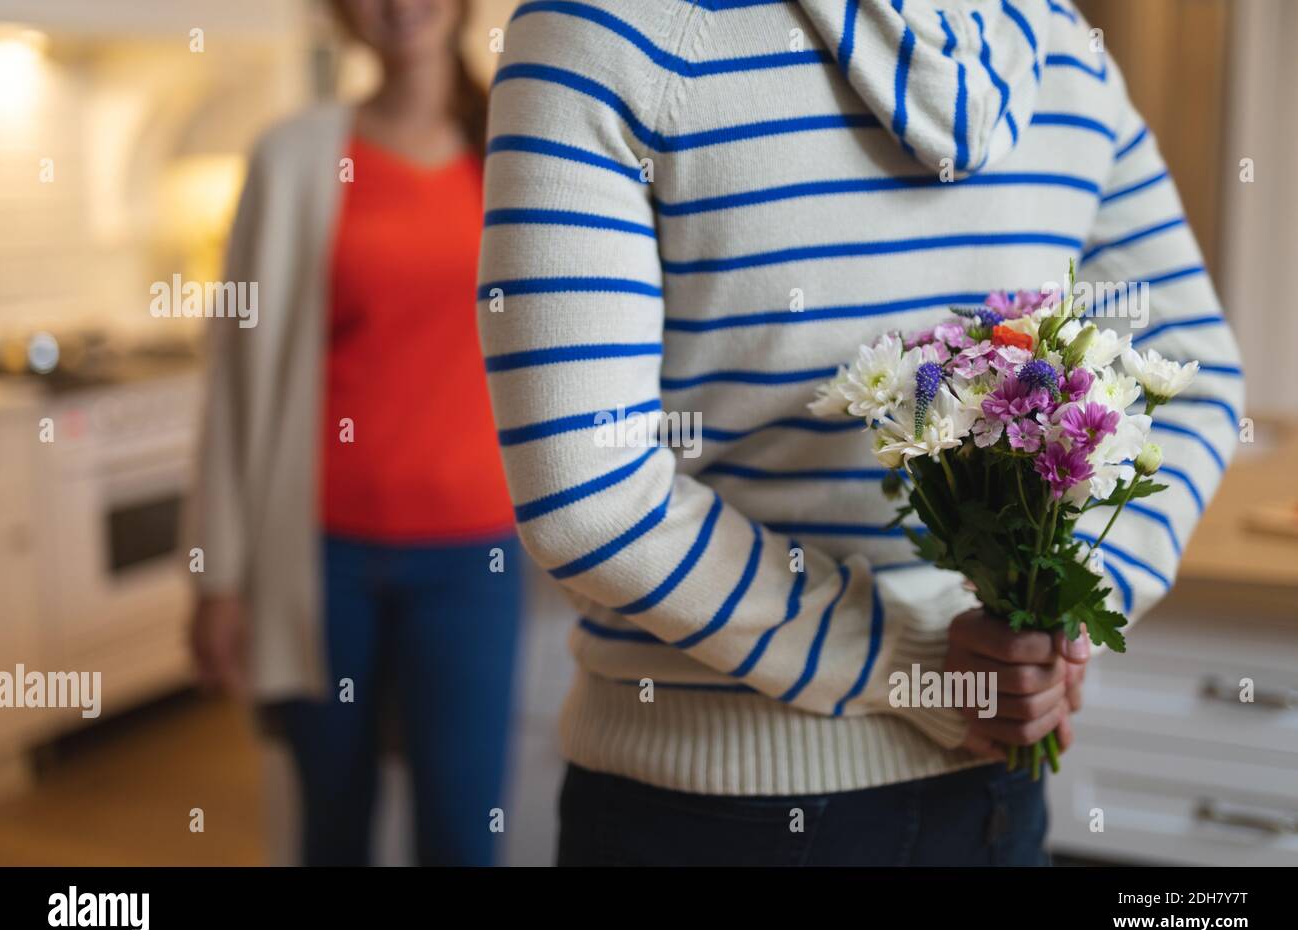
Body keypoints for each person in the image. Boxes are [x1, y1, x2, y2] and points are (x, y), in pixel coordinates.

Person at [477, 0, 1243, 865]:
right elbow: (1197, 371)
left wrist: (972, 653)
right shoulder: (1057, 42)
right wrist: (1032, 634)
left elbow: (588, 494)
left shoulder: (606, 27)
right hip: (991, 791)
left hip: (705, 803)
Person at [189, 0, 520, 866]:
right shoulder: (295, 158)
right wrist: (217, 573)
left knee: (461, 832)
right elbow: (235, 380)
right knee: (332, 832)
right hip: (321, 557)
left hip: (474, 558)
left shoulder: (518, 152)